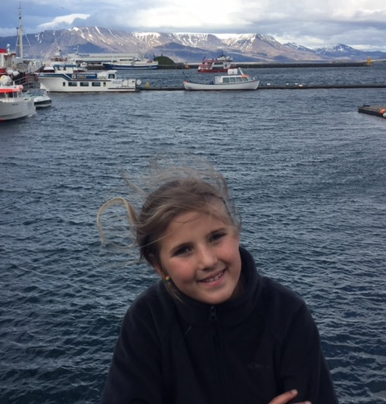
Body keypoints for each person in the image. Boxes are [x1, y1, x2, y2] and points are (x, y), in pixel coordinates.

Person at [97, 163, 338, 404]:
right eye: (184, 250)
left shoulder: (286, 314)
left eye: (216, 237)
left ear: (237, 233)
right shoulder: (147, 320)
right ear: (159, 266)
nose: (208, 261)